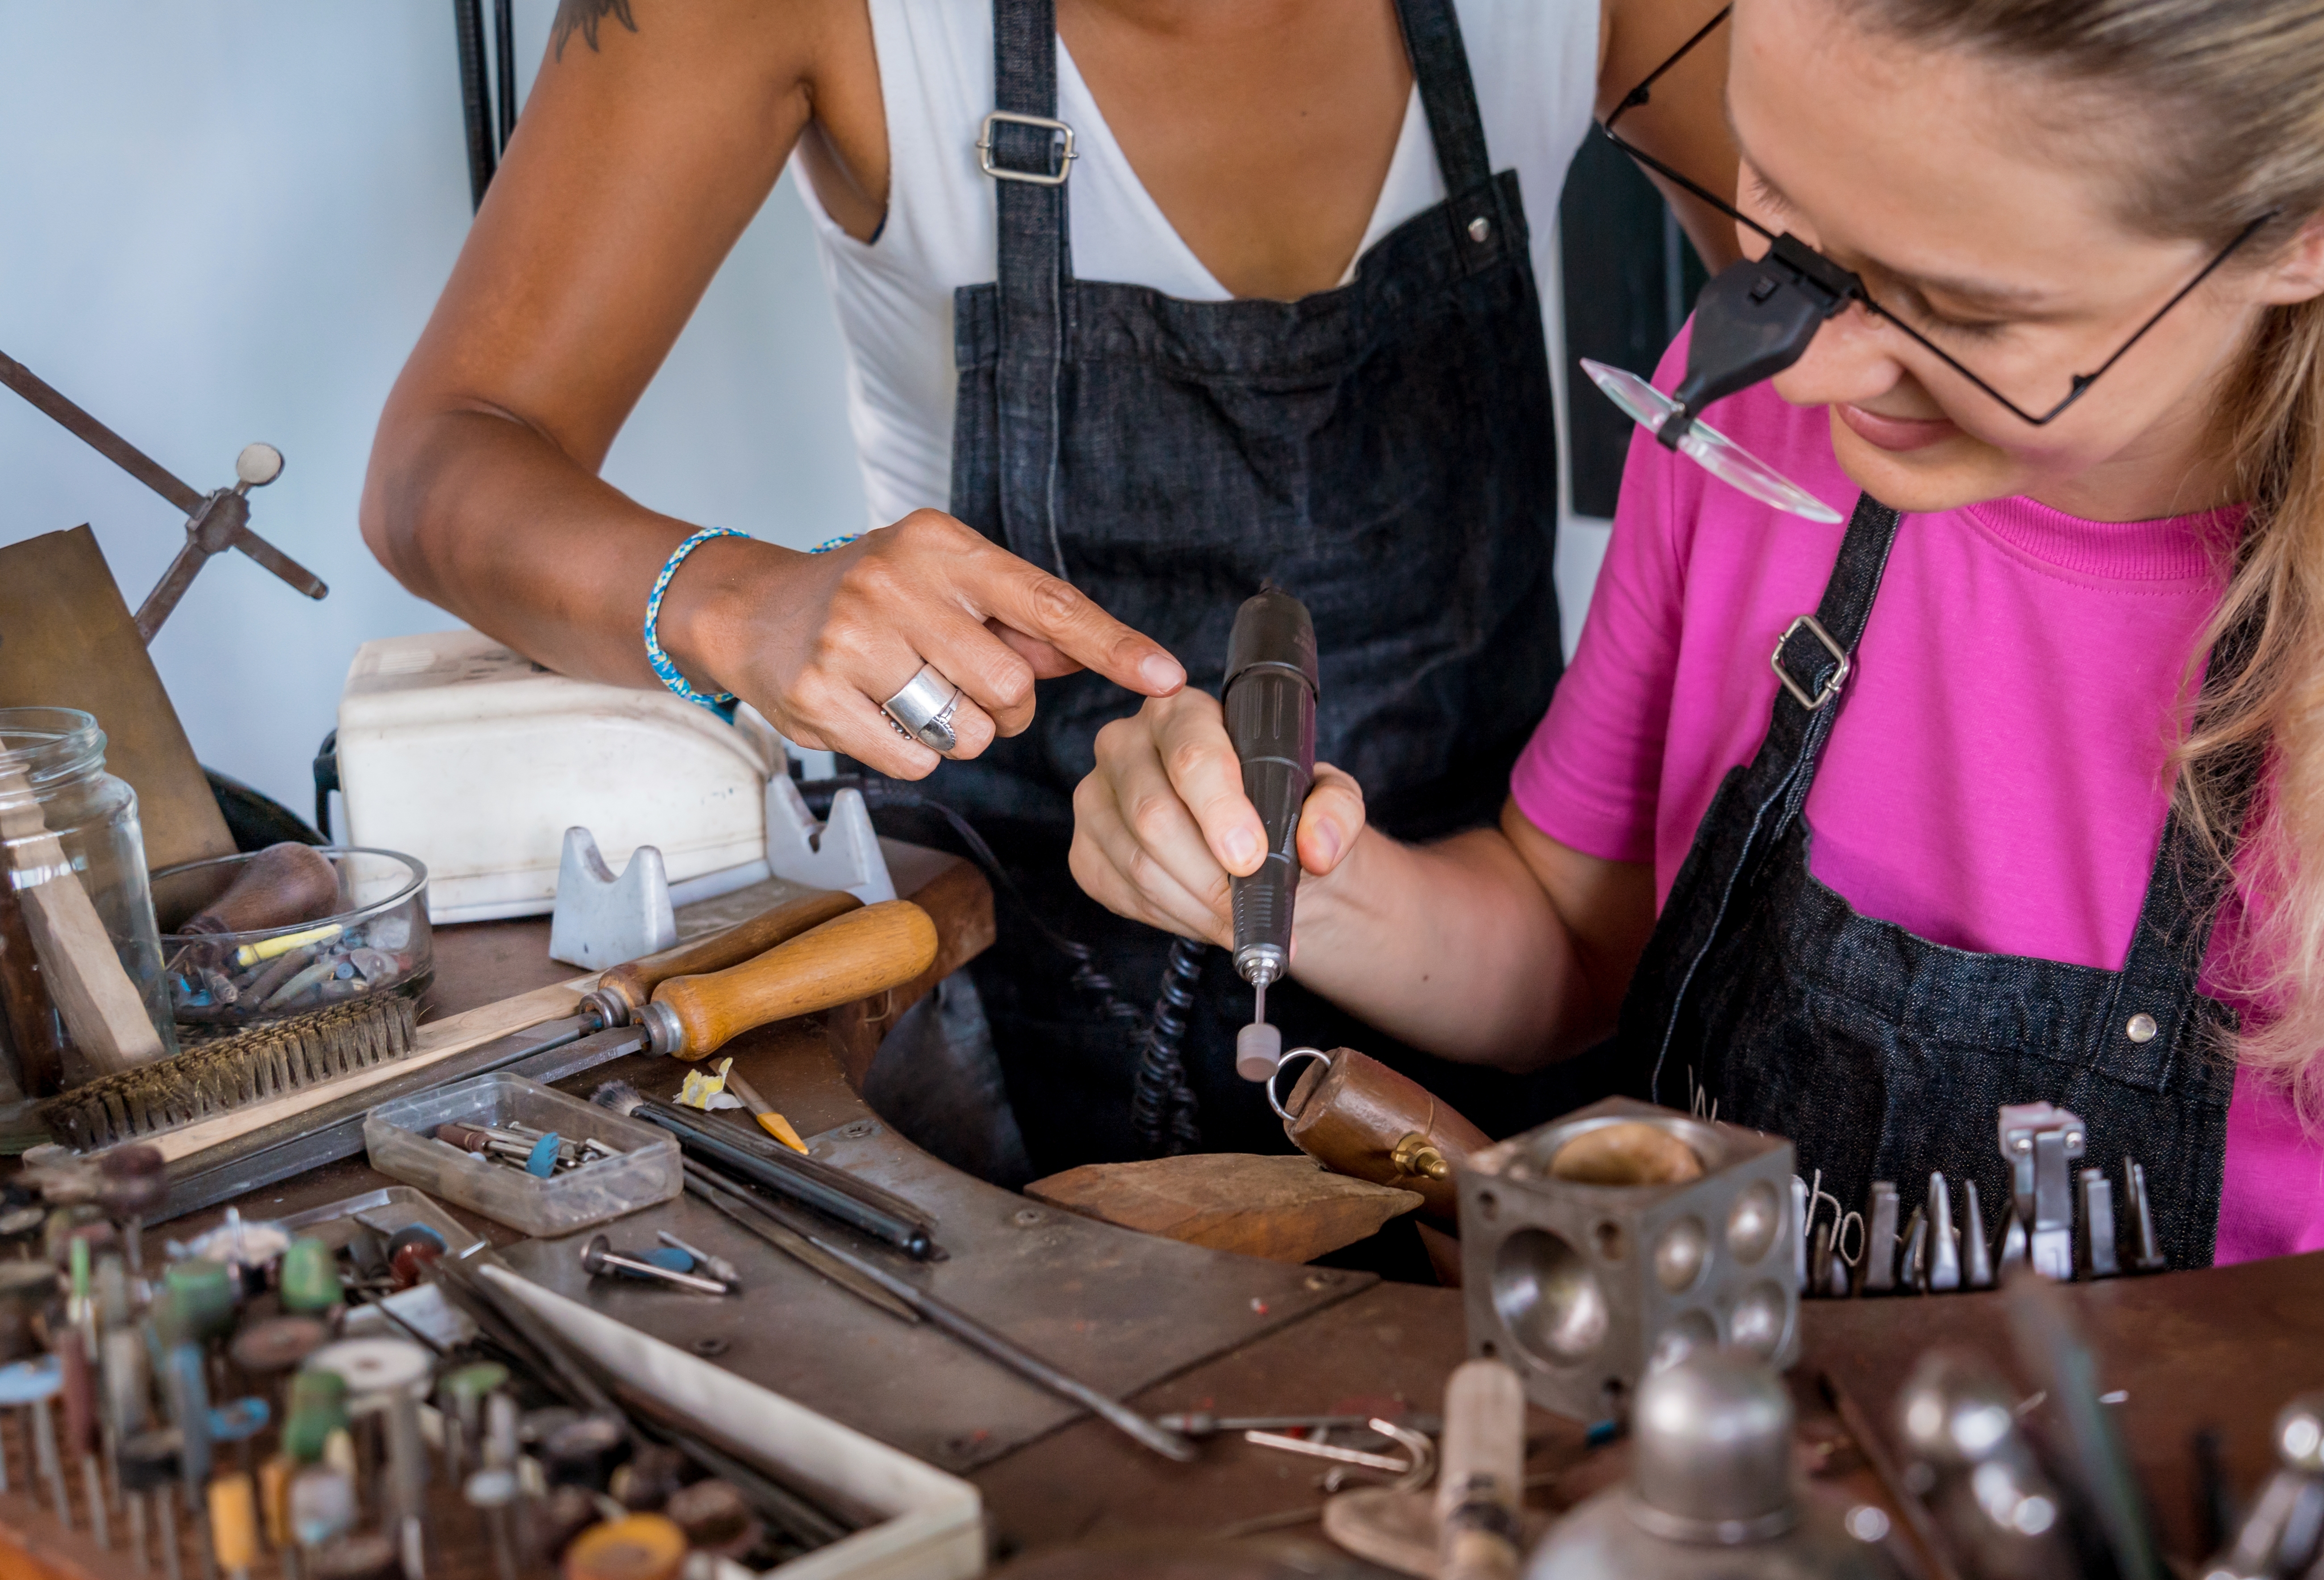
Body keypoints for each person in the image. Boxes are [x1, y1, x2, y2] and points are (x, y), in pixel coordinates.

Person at [1070, 0, 2324, 1275]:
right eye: (1783, 216)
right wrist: (1296, 886)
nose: (1822, 384)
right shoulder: (1749, 408)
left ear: (2319, 229)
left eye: (1964, 314)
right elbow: (1575, 944)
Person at [363, 0, 1741, 1180]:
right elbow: (445, 460)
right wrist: (739, 603)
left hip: (1499, 956)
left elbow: (1880, 312)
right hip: (1014, 996)